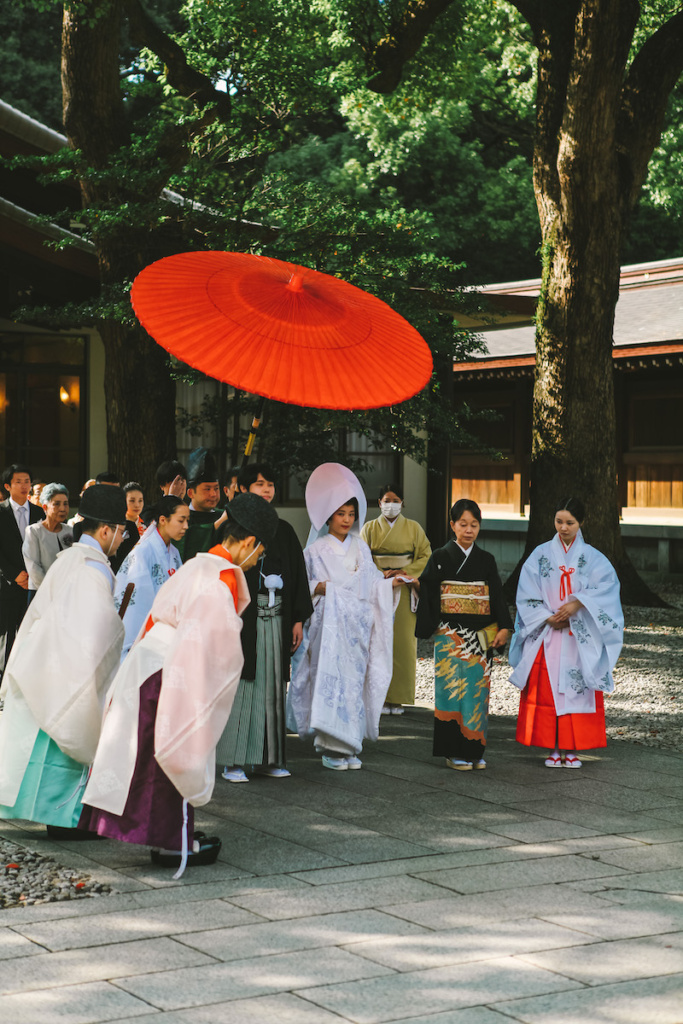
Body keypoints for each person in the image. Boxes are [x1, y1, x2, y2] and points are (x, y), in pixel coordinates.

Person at [80, 493, 279, 874]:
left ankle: (164, 835)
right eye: (260, 552)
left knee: (147, 759)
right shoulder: (219, 581)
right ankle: (175, 840)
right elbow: (211, 651)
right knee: (175, 751)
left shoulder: (196, 565)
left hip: (147, 666)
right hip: (171, 671)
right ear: (251, 543)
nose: (256, 561)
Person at [0, 485, 127, 835]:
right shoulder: (92, 568)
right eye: (121, 530)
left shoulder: (70, 559)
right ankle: (66, 819)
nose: (121, 537)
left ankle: (57, 815)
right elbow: (99, 627)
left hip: (46, 660)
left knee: (44, 741)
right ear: (106, 530)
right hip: (70, 664)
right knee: (66, 739)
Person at [289, 463, 404, 771]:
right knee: (331, 680)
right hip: (328, 627)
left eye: (351, 514)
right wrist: (321, 587)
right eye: (341, 514)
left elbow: (371, 583)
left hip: (356, 627)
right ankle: (330, 746)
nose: (346, 520)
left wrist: (389, 584)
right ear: (329, 515)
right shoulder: (314, 552)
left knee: (353, 684)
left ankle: (350, 744)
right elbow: (303, 587)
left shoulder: (362, 549)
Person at [509, 497, 624, 769]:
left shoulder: (595, 559)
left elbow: (607, 591)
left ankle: (572, 748)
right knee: (549, 692)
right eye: (559, 521)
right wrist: (547, 617)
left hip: (578, 638)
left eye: (570, 522)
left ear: (581, 523)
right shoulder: (539, 555)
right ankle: (551, 747)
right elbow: (526, 594)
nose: (563, 527)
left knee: (576, 689)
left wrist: (577, 604)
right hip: (547, 633)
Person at [217, 463, 313, 782]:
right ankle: (234, 760)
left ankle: (269, 757)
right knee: (241, 683)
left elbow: (297, 575)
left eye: (271, 483)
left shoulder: (283, 529)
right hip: (242, 618)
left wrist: (298, 618)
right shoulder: (231, 528)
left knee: (273, 686)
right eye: (259, 484)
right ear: (243, 489)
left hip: (276, 617)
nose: (268, 489)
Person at [416, 498, 512, 771]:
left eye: (474, 525)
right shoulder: (439, 557)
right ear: (452, 526)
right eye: (463, 524)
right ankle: (452, 751)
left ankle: (474, 749)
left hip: (480, 636)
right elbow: (430, 593)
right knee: (450, 691)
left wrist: (503, 627)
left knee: (477, 694)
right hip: (449, 635)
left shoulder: (487, 560)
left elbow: (496, 596)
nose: (469, 530)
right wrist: (433, 624)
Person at [361, 483, 431, 715]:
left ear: (402, 503)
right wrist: (380, 574)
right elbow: (361, 557)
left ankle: (398, 698)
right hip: (378, 587)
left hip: (404, 586)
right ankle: (378, 696)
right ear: (379, 503)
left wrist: (406, 572)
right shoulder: (369, 528)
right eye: (386, 500)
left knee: (402, 643)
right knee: (377, 642)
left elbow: (425, 555)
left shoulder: (413, 528)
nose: (391, 505)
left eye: (395, 500)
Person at [115, 496, 189, 661]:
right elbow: (137, 603)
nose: (186, 526)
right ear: (163, 520)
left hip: (165, 631)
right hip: (146, 631)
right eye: (181, 520)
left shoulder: (174, 553)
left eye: (187, 520)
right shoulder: (143, 552)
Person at [0, 463, 45, 670]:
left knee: (33, 634)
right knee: (7, 635)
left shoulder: (39, 513)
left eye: (27, 481)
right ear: (8, 486)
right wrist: (14, 574)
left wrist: (34, 575)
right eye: (18, 482)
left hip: (34, 584)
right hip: (8, 583)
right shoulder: (1, 512)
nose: (24, 486)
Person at [23, 482, 73, 598]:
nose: (62, 508)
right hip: (41, 593)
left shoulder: (70, 531)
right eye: (56, 504)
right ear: (45, 507)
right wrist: (52, 592)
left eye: (65, 504)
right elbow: (33, 568)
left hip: (66, 593)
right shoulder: (34, 531)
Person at [176, 448, 227, 561]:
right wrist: (217, 525)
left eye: (216, 489)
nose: (213, 494)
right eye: (207, 489)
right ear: (190, 493)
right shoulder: (179, 518)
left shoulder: (224, 515)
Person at [141, 460, 187, 527]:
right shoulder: (150, 512)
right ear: (162, 486)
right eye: (174, 482)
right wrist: (171, 499)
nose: (179, 486)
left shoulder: (190, 511)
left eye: (182, 480)